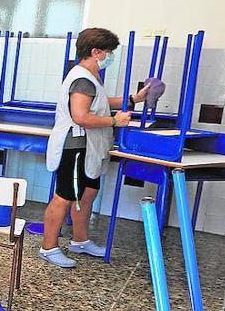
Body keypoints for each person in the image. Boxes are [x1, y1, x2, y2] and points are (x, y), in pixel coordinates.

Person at [40, 27, 150, 268]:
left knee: (87, 194)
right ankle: (48, 247)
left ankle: (80, 240)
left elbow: (99, 101)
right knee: (65, 196)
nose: (110, 57)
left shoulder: (90, 78)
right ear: (95, 52)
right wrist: (114, 120)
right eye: (109, 52)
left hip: (91, 147)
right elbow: (81, 116)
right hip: (76, 146)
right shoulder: (81, 78)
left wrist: (134, 100)